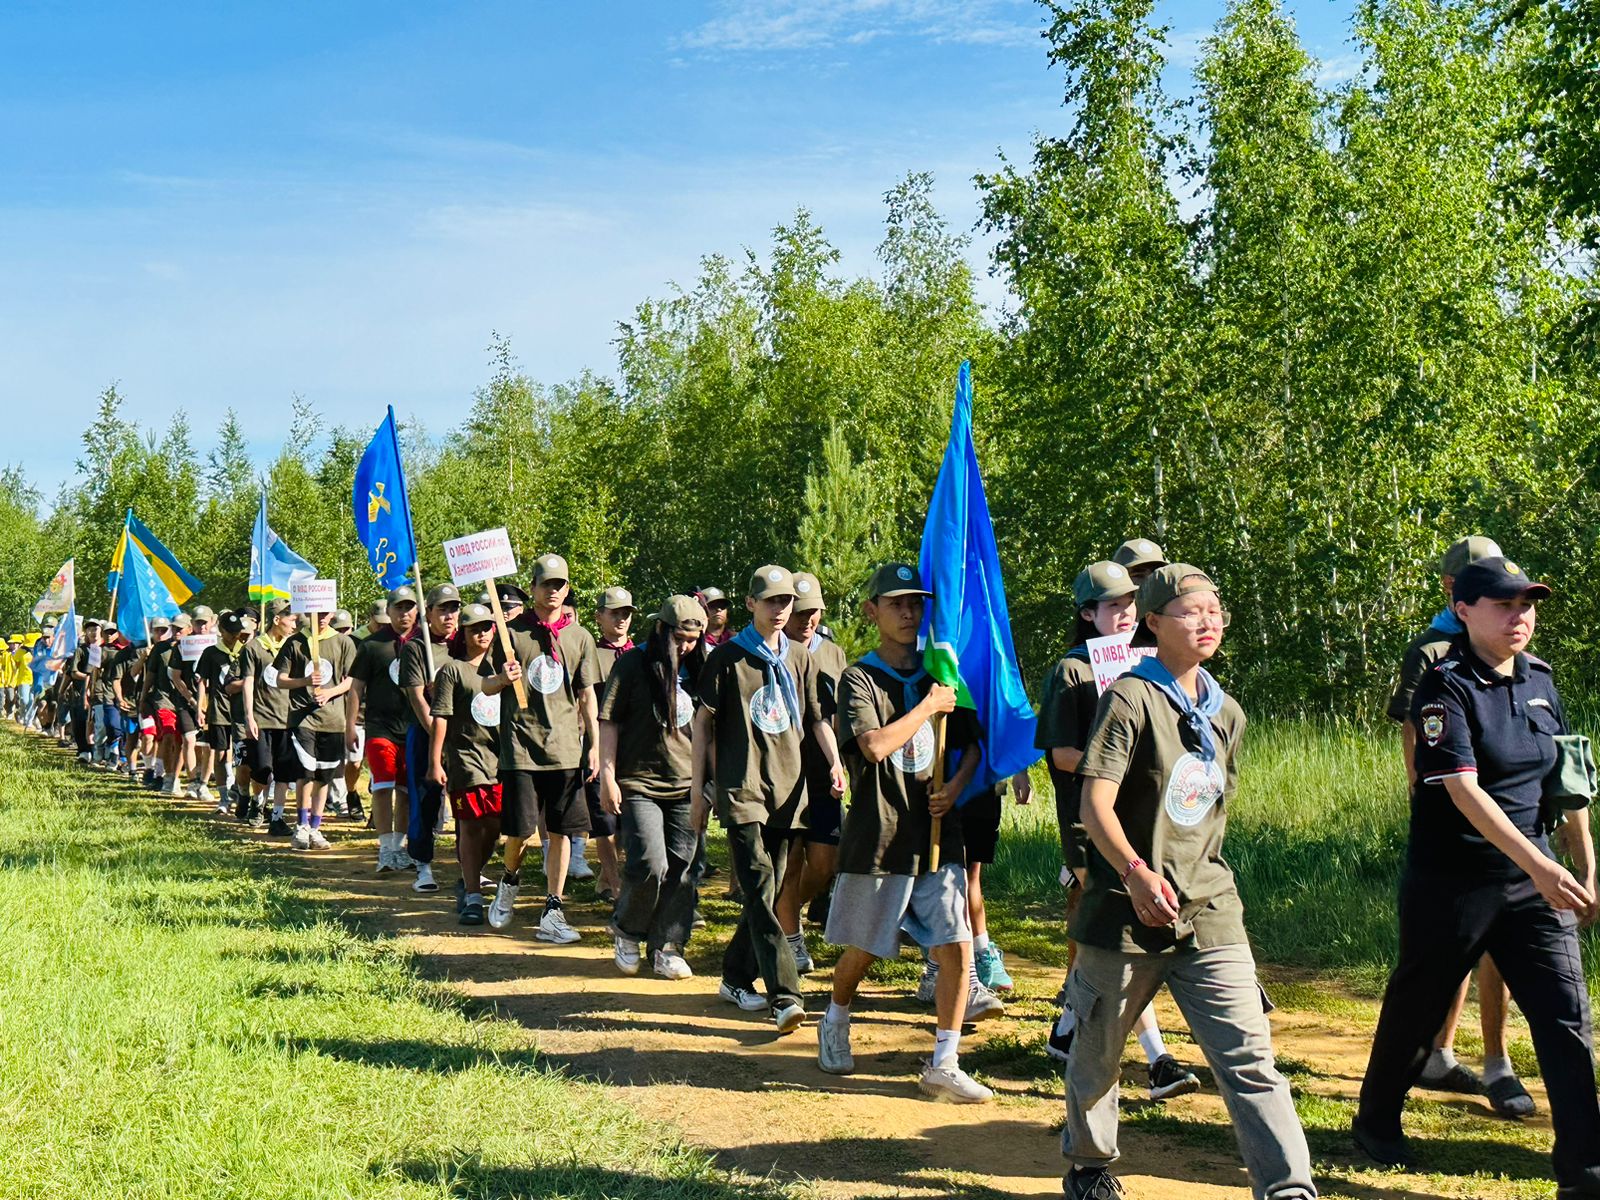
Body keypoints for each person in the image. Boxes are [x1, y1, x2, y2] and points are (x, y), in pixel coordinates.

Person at [1062, 564, 1315, 1200]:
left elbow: (1208, 814)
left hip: (1208, 906)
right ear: (1152, 624)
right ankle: (1089, 1168)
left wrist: (1192, 880)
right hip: (1124, 909)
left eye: (1215, 610)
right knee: (1096, 1054)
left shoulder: (1225, 711)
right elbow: (1095, 805)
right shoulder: (1128, 697)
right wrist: (1137, 874)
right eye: (1190, 612)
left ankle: (1287, 1186)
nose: (1208, 622)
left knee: (1249, 1058)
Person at [1355, 557, 1600, 1196]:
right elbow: (1464, 791)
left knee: (1566, 1016)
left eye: (1526, 604)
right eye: (1503, 604)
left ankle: (1584, 1168)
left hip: (1533, 888)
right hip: (1454, 882)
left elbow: (1568, 783)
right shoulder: (1445, 686)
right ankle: (1376, 1120)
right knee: (1419, 1006)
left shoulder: (1543, 682)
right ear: (1464, 610)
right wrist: (1543, 864)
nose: (1519, 616)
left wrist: (1583, 867)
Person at [816, 562, 994, 1102]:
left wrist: (956, 787)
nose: (908, 611)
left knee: (958, 948)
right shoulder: (860, 678)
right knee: (866, 950)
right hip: (882, 837)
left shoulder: (940, 670)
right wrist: (928, 705)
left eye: (915, 602)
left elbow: (972, 748)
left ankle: (944, 1059)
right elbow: (873, 747)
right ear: (872, 611)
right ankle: (836, 1015)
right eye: (895, 602)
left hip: (940, 837)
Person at [1037, 560, 1201, 1101]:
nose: (1125, 612)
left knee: (1114, 933)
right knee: (1125, 931)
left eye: (1131, 602)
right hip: (1090, 823)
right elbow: (1060, 755)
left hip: (1144, 823)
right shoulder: (1072, 671)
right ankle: (1157, 1058)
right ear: (1088, 614)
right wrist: (1114, 763)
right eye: (1112, 605)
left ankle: (1070, 1026)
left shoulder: (1153, 669)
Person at [1384, 534, 1530, 1113]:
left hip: (1515, 815)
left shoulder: (1510, 642)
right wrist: (1430, 799)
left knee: (1502, 949)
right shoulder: (1431, 651)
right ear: (1453, 592)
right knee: (1454, 947)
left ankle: (1498, 1060)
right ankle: (1430, 1056)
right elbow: (1413, 737)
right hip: (1458, 823)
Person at [691, 564, 844, 1034]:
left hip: (789, 787)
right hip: (743, 787)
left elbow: (817, 719)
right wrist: (700, 790)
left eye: (786, 602)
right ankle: (786, 994)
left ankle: (735, 977)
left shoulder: (801, 657)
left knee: (772, 888)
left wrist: (835, 763)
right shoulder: (727, 659)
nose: (780, 609)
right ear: (751, 604)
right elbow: (702, 725)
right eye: (771, 601)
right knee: (759, 882)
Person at [486, 555, 600, 942]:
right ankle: (510, 879)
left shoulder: (580, 636)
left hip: (566, 748)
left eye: (559, 585)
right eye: (546, 584)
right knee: (520, 831)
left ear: (566, 589)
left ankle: (553, 907)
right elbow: (484, 685)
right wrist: (503, 677)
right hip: (521, 746)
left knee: (562, 831)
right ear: (532, 588)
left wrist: (594, 745)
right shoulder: (510, 633)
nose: (553, 591)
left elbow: (586, 693)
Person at [599, 595, 707, 980]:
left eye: (694, 640)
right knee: (649, 864)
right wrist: (606, 777)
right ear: (661, 629)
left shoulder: (701, 668)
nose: (686, 647)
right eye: (680, 638)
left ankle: (665, 945)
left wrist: (707, 784)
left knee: (682, 870)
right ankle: (627, 930)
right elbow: (608, 720)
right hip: (639, 781)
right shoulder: (633, 663)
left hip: (686, 786)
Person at [773, 572, 850, 975]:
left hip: (822, 772)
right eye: (800, 612)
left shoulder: (834, 654)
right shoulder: (773, 651)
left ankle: (785, 911)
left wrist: (842, 761)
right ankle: (789, 935)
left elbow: (840, 714)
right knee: (791, 860)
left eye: (813, 612)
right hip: (783, 771)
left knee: (824, 862)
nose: (807, 620)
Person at [428, 602, 504, 927]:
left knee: (496, 825)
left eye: (487, 627)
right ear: (465, 632)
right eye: (475, 628)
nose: (482, 633)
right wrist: (435, 760)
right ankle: (473, 895)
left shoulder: (505, 669)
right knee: (472, 824)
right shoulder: (452, 670)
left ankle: (469, 877)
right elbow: (441, 717)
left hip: (501, 759)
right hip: (465, 756)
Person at [273, 605, 356, 851]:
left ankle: (316, 828)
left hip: (333, 719)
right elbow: (279, 679)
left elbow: (352, 679)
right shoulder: (295, 642)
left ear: (332, 614)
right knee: (305, 773)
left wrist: (331, 691)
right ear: (307, 614)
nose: (321, 618)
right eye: (316, 613)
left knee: (323, 776)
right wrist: (305, 681)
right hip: (302, 720)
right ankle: (300, 825)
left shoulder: (343, 642)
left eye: (326, 613)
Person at [351, 586, 420, 871]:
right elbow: (356, 687)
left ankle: (400, 847)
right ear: (388, 611)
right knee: (382, 785)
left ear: (417, 611)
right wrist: (350, 725)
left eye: (409, 608)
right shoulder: (371, 645)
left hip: (414, 726)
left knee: (405, 791)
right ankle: (385, 847)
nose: (404, 613)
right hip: (380, 727)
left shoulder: (425, 643)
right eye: (398, 608)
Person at [400, 585, 460, 892]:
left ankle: (470, 866)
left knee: (467, 802)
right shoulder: (415, 647)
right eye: (443, 610)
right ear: (430, 613)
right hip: (424, 735)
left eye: (454, 609)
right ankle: (422, 865)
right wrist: (437, 736)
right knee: (424, 799)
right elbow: (416, 698)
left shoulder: (464, 646)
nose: (449, 616)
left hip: (464, 736)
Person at [577, 585, 635, 900]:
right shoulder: (590, 654)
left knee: (630, 821)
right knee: (605, 822)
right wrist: (588, 747)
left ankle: (606, 878)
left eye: (626, 613)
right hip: (598, 745)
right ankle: (616, 886)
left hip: (634, 750)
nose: (622, 619)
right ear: (599, 616)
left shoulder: (640, 653)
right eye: (615, 613)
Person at [241, 600, 300, 834]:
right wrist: (249, 717)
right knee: (263, 769)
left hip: (287, 718)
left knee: (284, 771)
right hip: (262, 717)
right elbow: (247, 683)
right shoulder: (254, 648)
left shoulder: (295, 646)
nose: (294, 624)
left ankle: (277, 817)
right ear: (277, 620)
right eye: (291, 619)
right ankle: (257, 802)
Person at [195, 612, 249, 815]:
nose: (235, 636)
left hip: (241, 708)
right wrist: (200, 706)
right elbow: (203, 681)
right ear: (221, 631)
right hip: (218, 707)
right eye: (231, 632)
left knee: (241, 752)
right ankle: (224, 797)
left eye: (238, 632)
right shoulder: (211, 652)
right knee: (220, 752)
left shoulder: (245, 651)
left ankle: (238, 787)